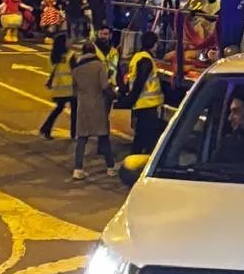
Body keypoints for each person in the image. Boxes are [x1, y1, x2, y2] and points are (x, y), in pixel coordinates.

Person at [70, 41, 116, 181]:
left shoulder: (76, 69)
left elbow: (74, 89)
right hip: (98, 105)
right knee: (103, 137)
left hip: (83, 106)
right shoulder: (99, 66)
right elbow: (104, 86)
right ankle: (110, 168)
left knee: (82, 138)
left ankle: (78, 169)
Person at [125, 30, 165, 154]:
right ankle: (137, 160)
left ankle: (137, 157)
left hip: (142, 104)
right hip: (147, 104)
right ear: (154, 44)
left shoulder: (138, 56)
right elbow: (140, 81)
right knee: (146, 135)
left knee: (143, 135)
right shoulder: (146, 60)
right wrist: (131, 99)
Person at [39, 36, 75, 139]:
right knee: (74, 111)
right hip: (70, 87)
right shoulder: (70, 55)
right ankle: (74, 133)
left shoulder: (53, 56)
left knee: (59, 109)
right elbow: (75, 70)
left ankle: (46, 128)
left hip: (59, 87)